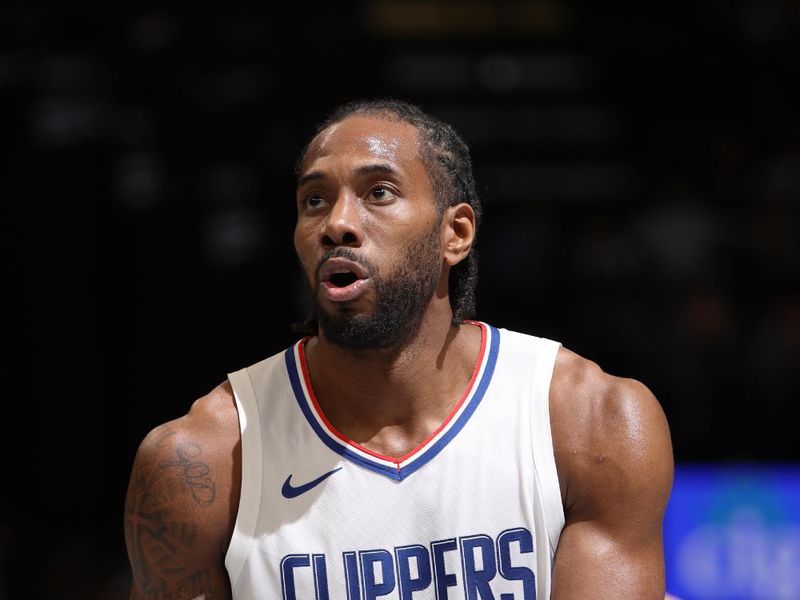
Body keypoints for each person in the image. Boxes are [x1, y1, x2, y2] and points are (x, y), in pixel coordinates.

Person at [123, 98, 674, 599]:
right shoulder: (202, 463)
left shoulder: (588, 425)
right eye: (314, 200)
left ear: (454, 233)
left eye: (378, 192)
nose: (337, 223)